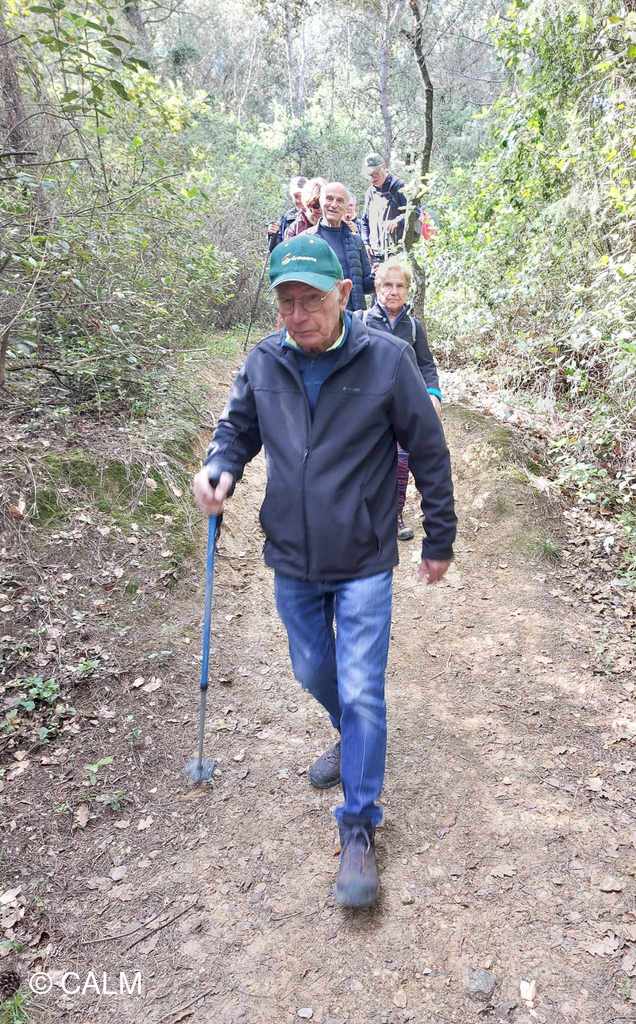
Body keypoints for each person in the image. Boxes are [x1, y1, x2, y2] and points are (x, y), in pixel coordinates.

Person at [192, 235, 456, 909]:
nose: (298, 314)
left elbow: (429, 450)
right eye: (286, 302)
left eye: (311, 300)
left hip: (363, 555)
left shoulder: (387, 360)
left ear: (343, 294)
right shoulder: (265, 360)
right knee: (313, 669)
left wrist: (439, 536)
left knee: (363, 689)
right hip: (293, 555)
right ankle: (354, 737)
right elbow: (237, 430)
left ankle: (359, 824)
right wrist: (219, 466)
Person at [354, 258, 443, 543]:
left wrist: (433, 395)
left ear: (407, 290)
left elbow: (426, 365)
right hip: (368, 409)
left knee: (402, 463)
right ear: (377, 288)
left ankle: (394, 515)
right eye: (388, 285)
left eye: (400, 286)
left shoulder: (414, 327)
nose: (393, 291)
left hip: (405, 407)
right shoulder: (359, 321)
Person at [304, 181, 374, 312]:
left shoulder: (356, 241)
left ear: (347, 206)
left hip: (354, 318)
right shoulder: (306, 240)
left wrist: (377, 276)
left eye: (340, 200)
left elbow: (365, 287)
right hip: (319, 317)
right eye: (329, 198)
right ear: (321, 201)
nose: (334, 205)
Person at [361, 153, 408, 266]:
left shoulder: (399, 187)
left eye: (376, 173)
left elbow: (415, 212)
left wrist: (398, 221)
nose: (373, 178)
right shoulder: (370, 193)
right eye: (370, 175)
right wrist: (366, 243)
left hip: (396, 253)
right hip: (375, 255)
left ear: (384, 168)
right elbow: (364, 221)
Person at [267, 176, 307, 252]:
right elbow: (275, 250)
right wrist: (273, 234)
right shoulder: (287, 217)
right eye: (296, 196)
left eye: (302, 196)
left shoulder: (317, 214)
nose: (299, 200)